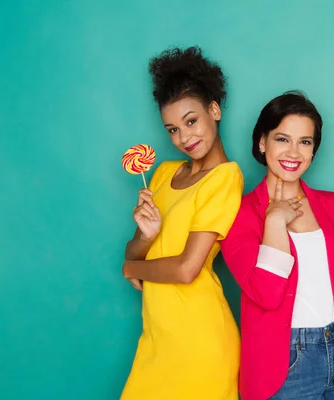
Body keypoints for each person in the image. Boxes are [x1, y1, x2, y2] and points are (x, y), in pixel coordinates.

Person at [220, 91, 334, 400]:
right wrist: (274, 222)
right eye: (282, 139)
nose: (294, 151)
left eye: (305, 142)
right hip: (285, 366)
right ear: (262, 142)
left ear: (313, 150)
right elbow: (266, 294)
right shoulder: (238, 216)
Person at [120, 46, 243, 400]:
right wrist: (145, 238)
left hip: (199, 342)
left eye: (191, 121)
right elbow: (135, 250)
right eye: (172, 129)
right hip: (158, 338)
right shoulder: (162, 173)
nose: (184, 138)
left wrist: (130, 269)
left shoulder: (224, 177)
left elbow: (188, 268)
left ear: (214, 110)